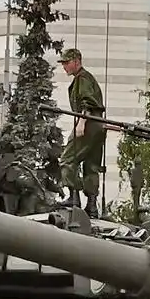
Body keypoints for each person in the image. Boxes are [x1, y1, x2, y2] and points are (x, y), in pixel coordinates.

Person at [58, 47, 106, 215]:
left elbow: (87, 102)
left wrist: (81, 123)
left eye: (66, 62)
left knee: (67, 159)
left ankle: (74, 197)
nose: (64, 66)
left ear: (76, 61)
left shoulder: (82, 78)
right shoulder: (87, 78)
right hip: (99, 126)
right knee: (91, 165)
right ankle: (91, 206)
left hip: (88, 123)